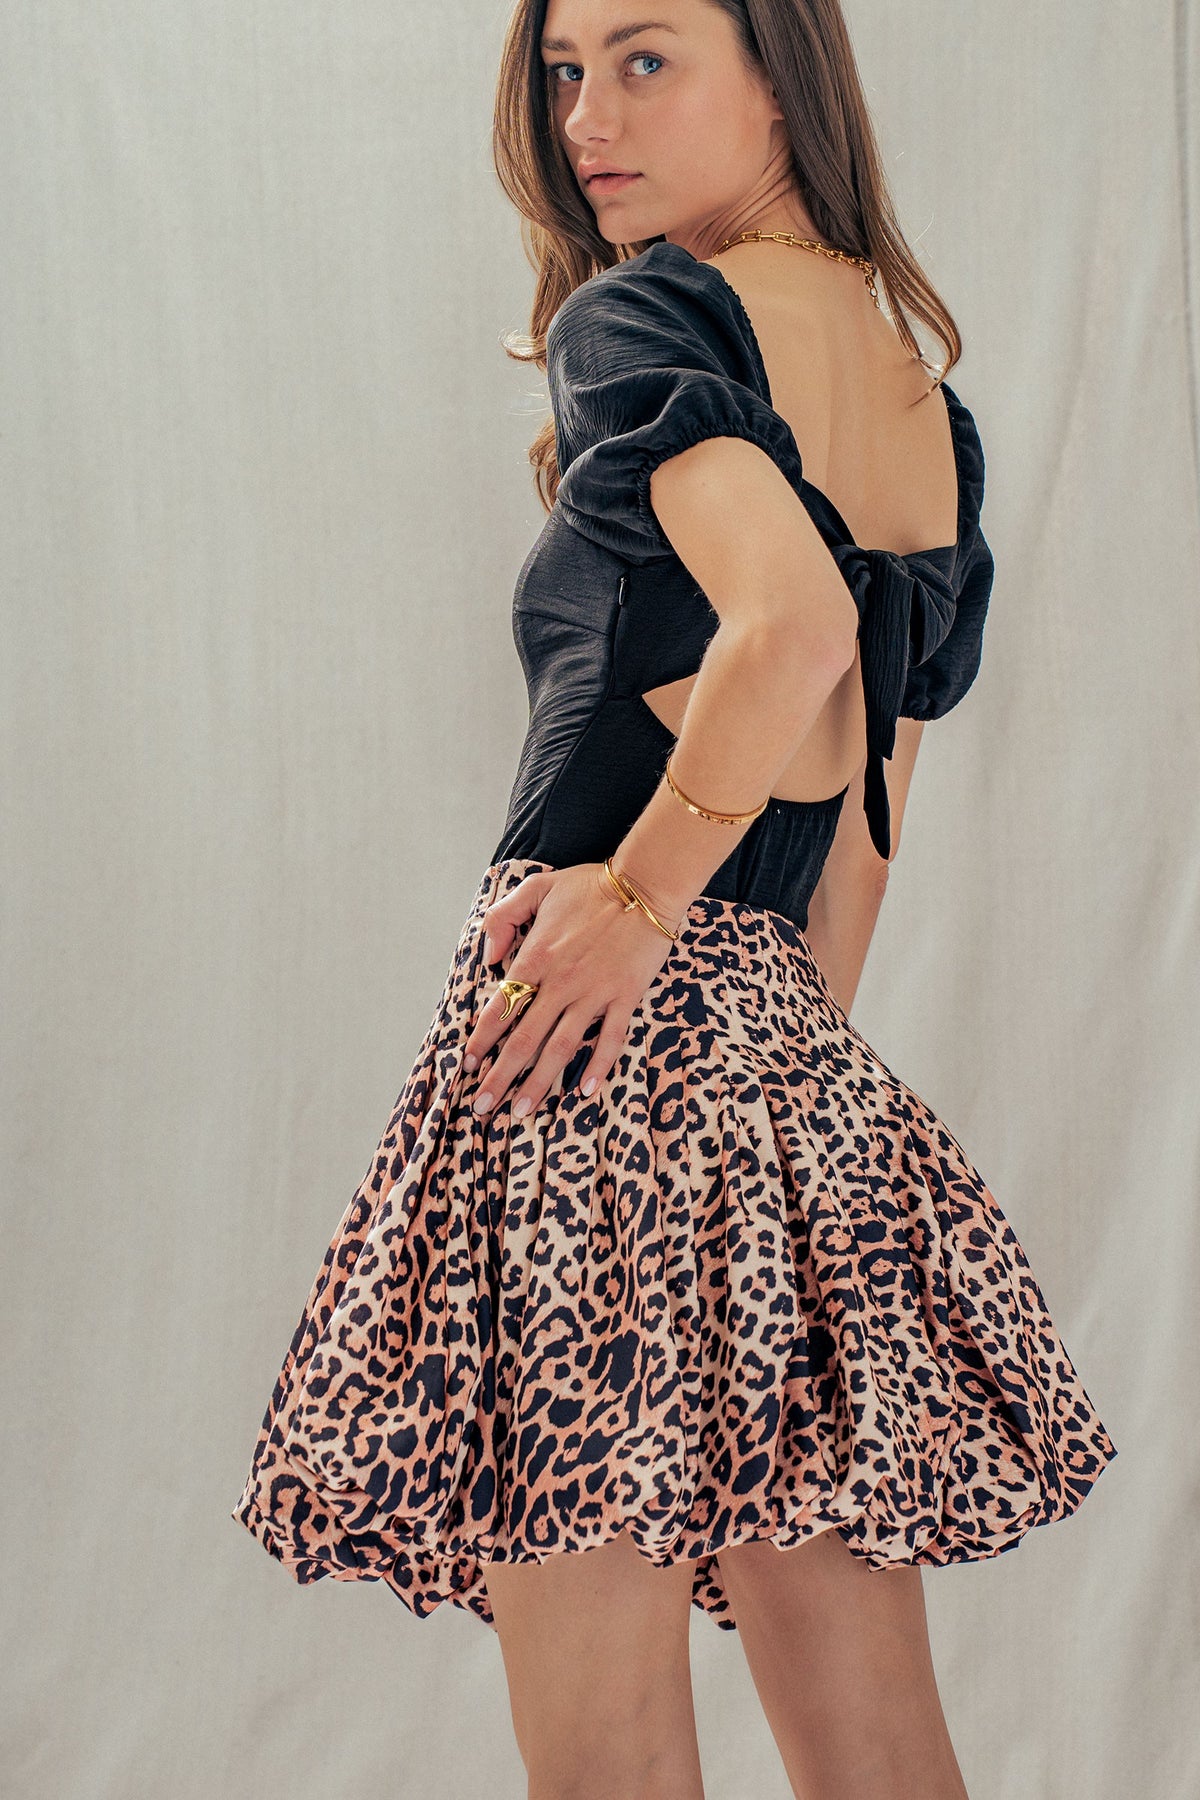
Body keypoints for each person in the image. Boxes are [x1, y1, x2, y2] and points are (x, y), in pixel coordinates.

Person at [231, 2, 1118, 1794]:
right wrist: (764, 1093)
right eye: (567, 72)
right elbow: (865, 821)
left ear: (783, 78)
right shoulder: (914, 399)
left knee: (606, 1747)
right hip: (785, 1071)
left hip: (583, 1054)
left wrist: (633, 911)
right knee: (878, 1742)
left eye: (647, 61)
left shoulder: (642, 321)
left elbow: (792, 628)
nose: (587, 120)